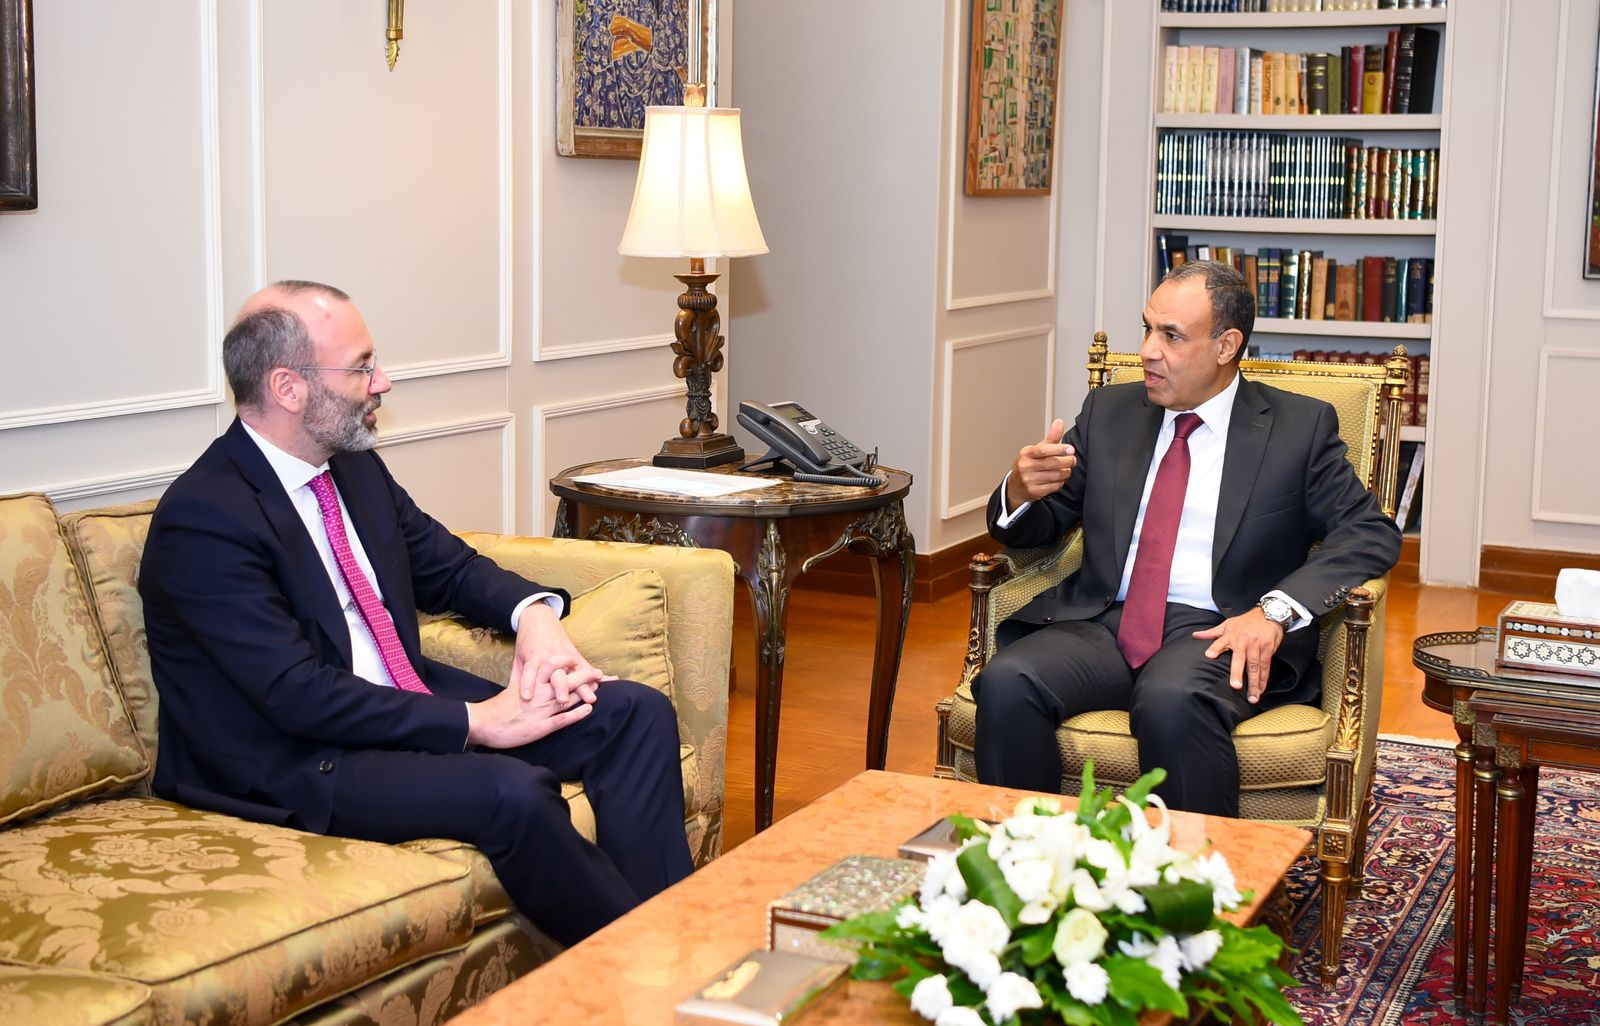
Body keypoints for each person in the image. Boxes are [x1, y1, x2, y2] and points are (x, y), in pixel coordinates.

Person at [139, 280, 692, 946]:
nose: (383, 382)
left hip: (402, 707)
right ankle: (650, 967)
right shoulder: (205, 518)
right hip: (301, 761)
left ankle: (672, 937)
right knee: (512, 793)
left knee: (632, 714)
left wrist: (535, 618)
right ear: (289, 388)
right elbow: (296, 694)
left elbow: (448, 567)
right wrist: (478, 722)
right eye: (362, 367)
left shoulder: (352, 470)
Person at [971, 260, 1401, 816]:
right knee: (1007, 681)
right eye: (1147, 328)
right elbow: (1041, 526)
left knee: (1170, 701)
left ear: (1226, 346)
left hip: (1219, 627)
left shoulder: (1297, 428)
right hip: (1105, 621)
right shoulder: (1110, 412)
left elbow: (1369, 531)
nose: (1148, 351)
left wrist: (1273, 613)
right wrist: (1020, 490)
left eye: (1171, 336)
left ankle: (1198, 870)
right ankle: (1032, 859)